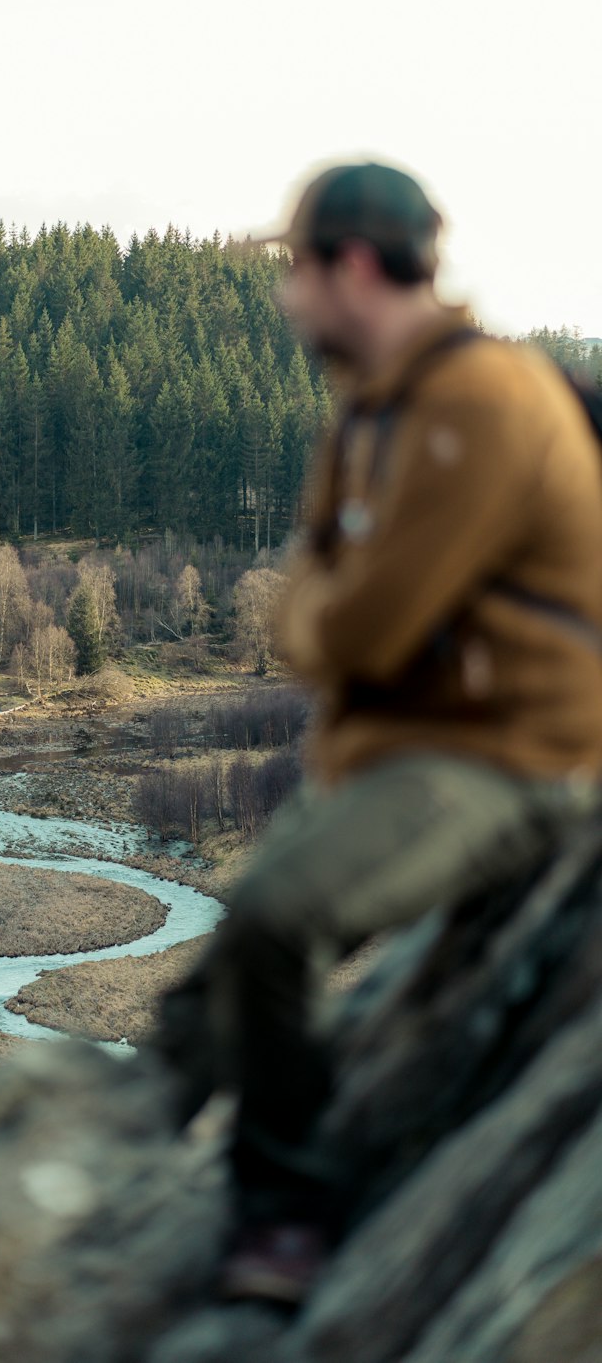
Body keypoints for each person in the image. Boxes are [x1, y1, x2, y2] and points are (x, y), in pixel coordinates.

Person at [153, 161, 602, 1305]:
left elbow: (352, 624)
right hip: (422, 749)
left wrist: (322, 611)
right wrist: (322, 612)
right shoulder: (372, 412)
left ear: (349, 265)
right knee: (203, 1009)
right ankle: (119, 1165)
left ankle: (285, 1215)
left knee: (274, 917)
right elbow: (321, 615)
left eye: (290, 268)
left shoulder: (477, 404)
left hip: (518, 761)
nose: (283, 294)